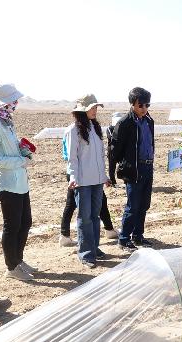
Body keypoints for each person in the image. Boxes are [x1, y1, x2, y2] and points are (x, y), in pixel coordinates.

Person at [0, 84, 38, 281]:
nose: (15, 104)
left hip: (19, 181)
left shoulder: (7, 121)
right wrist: (20, 161)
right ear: (3, 103)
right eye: (12, 101)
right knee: (12, 225)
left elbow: (10, 148)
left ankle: (18, 260)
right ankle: (11, 267)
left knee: (25, 222)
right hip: (7, 184)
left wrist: (22, 150)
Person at [65, 94, 110, 268]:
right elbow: (72, 158)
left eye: (96, 107)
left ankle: (94, 247)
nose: (95, 110)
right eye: (92, 107)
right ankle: (85, 253)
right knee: (84, 217)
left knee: (94, 215)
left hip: (97, 180)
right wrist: (73, 177)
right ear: (82, 110)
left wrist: (104, 175)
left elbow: (100, 155)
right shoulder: (73, 130)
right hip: (82, 181)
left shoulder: (95, 127)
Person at [110, 87, 155, 252]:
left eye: (147, 105)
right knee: (133, 205)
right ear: (132, 104)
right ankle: (124, 239)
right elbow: (115, 150)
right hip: (134, 169)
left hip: (148, 166)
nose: (144, 109)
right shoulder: (125, 123)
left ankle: (138, 235)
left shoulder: (149, 121)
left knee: (144, 204)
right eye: (140, 105)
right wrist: (124, 166)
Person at [59, 125, 119, 247]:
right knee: (82, 206)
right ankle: (108, 230)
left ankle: (65, 235)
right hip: (79, 175)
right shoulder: (73, 130)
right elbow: (71, 156)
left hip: (81, 174)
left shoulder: (86, 129)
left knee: (74, 204)